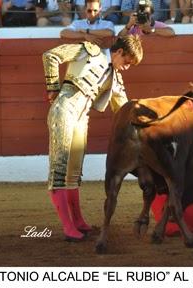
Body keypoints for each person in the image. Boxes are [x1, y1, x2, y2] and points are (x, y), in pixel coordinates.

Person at [42, 35, 143, 241]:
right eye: (127, 62)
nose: (126, 67)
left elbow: (124, 110)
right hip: (65, 109)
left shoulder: (115, 79)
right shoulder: (88, 51)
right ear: (118, 52)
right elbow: (50, 56)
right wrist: (53, 89)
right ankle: (68, 227)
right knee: (60, 171)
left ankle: (78, 221)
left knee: (73, 174)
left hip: (82, 118)